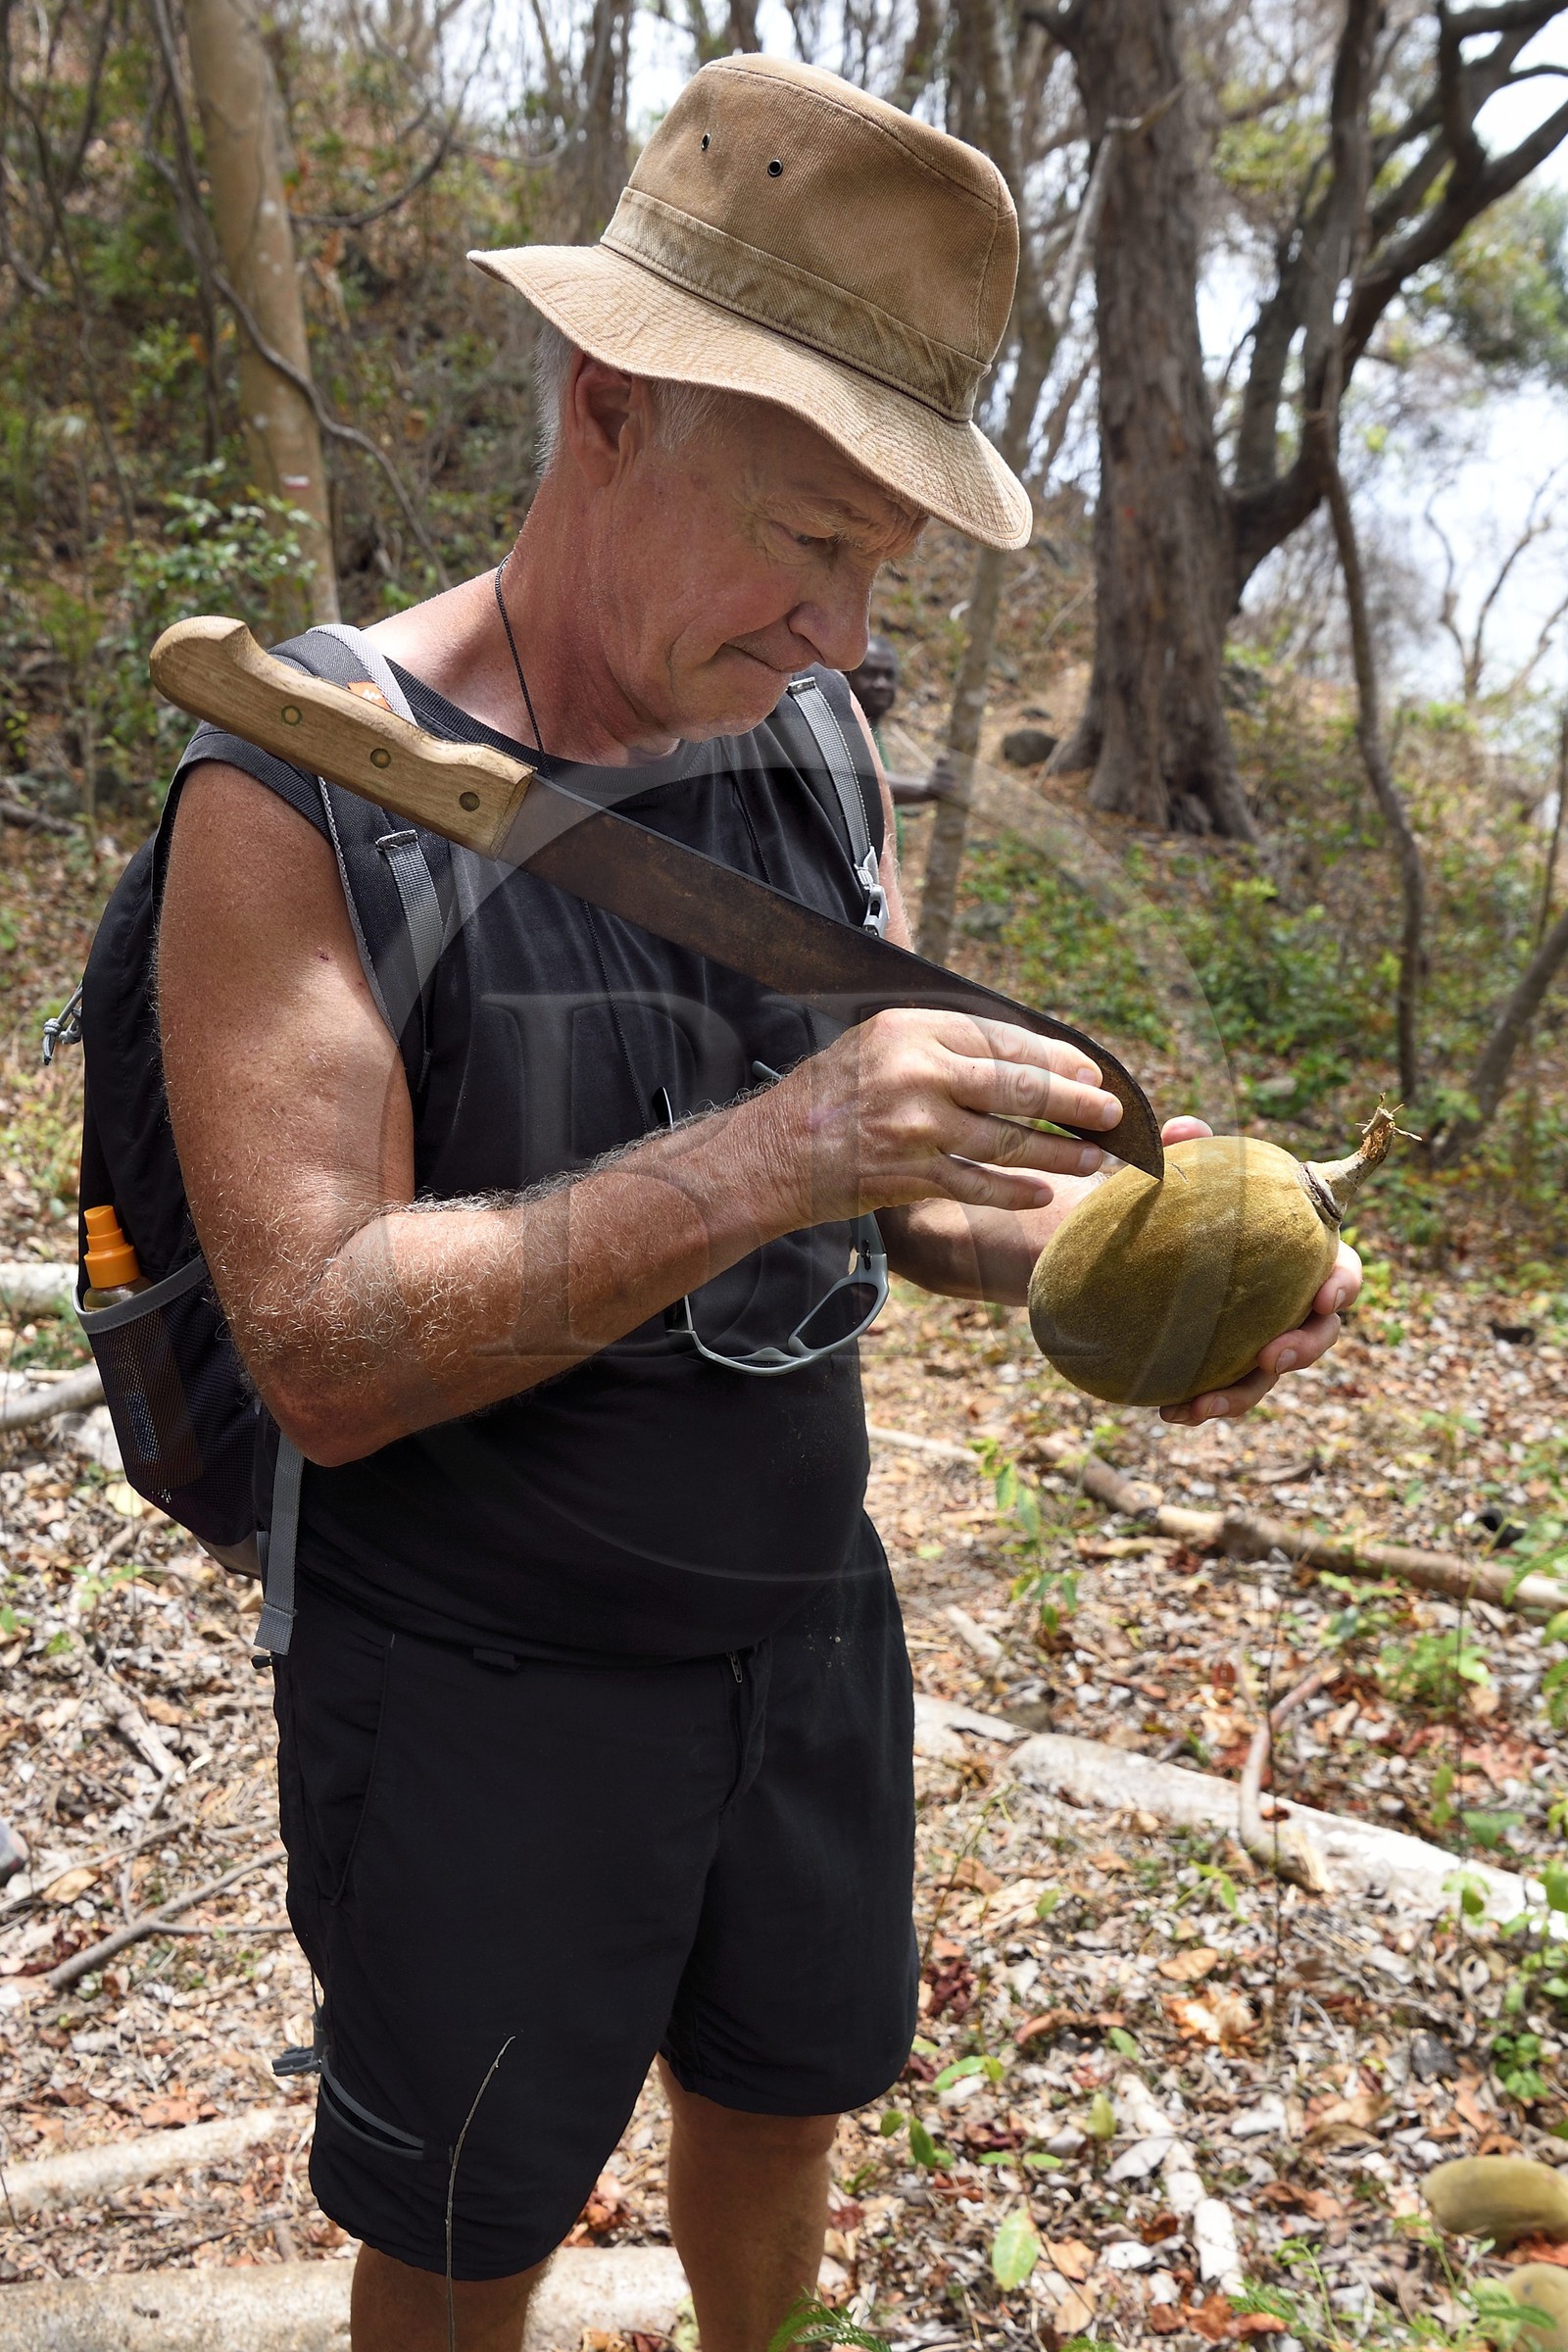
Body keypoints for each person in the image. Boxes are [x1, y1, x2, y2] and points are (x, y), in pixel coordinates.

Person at [156, 54, 1359, 2352]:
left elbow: (894, 1206)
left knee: (786, 2093)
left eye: (880, 561)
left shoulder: (800, 738)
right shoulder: (302, 791)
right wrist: (775, 1150)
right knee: (461, 2217)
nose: (838, 625)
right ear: (611, 405)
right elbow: (314, 1343)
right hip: (480, 1668)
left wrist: (1125, 1277)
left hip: (800, 1612)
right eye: (806, 537)